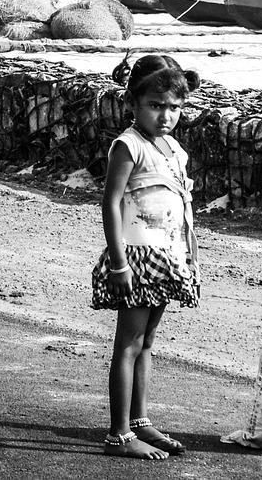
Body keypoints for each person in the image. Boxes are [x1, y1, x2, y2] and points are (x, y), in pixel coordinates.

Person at [92, 54, 202, 460]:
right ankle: (119, 434)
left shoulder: (171, 147)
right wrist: (119, 263)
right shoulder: (128, 145)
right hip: (135, 258)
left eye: (174, 107)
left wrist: (186, 255)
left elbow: (181, 204)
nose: (166, 115)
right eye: (156, 106)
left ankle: (140, 421)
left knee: (147, 343)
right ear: (133, 104)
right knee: (128, 343)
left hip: (165, 255)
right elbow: (111, 203)